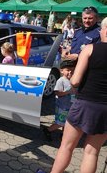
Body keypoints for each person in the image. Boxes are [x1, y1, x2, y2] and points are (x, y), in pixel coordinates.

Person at [50, 17, 107, 173]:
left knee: (67, 146)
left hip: (85, 103)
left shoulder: (90, 49)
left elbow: (74, 81)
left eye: (101, 29)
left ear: (105, 30)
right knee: (92, 152)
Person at [43, 59, 76, 141]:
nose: (70, 72)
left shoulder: (73, 80)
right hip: (62, 107)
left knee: (67, 122)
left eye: (72, 70)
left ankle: (63, 135)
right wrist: (68, 91)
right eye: (67, 70)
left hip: (70, 105)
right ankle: (48, 130)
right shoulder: (61, 81)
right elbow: (57, 93)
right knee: (60, 123)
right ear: (62, 71)